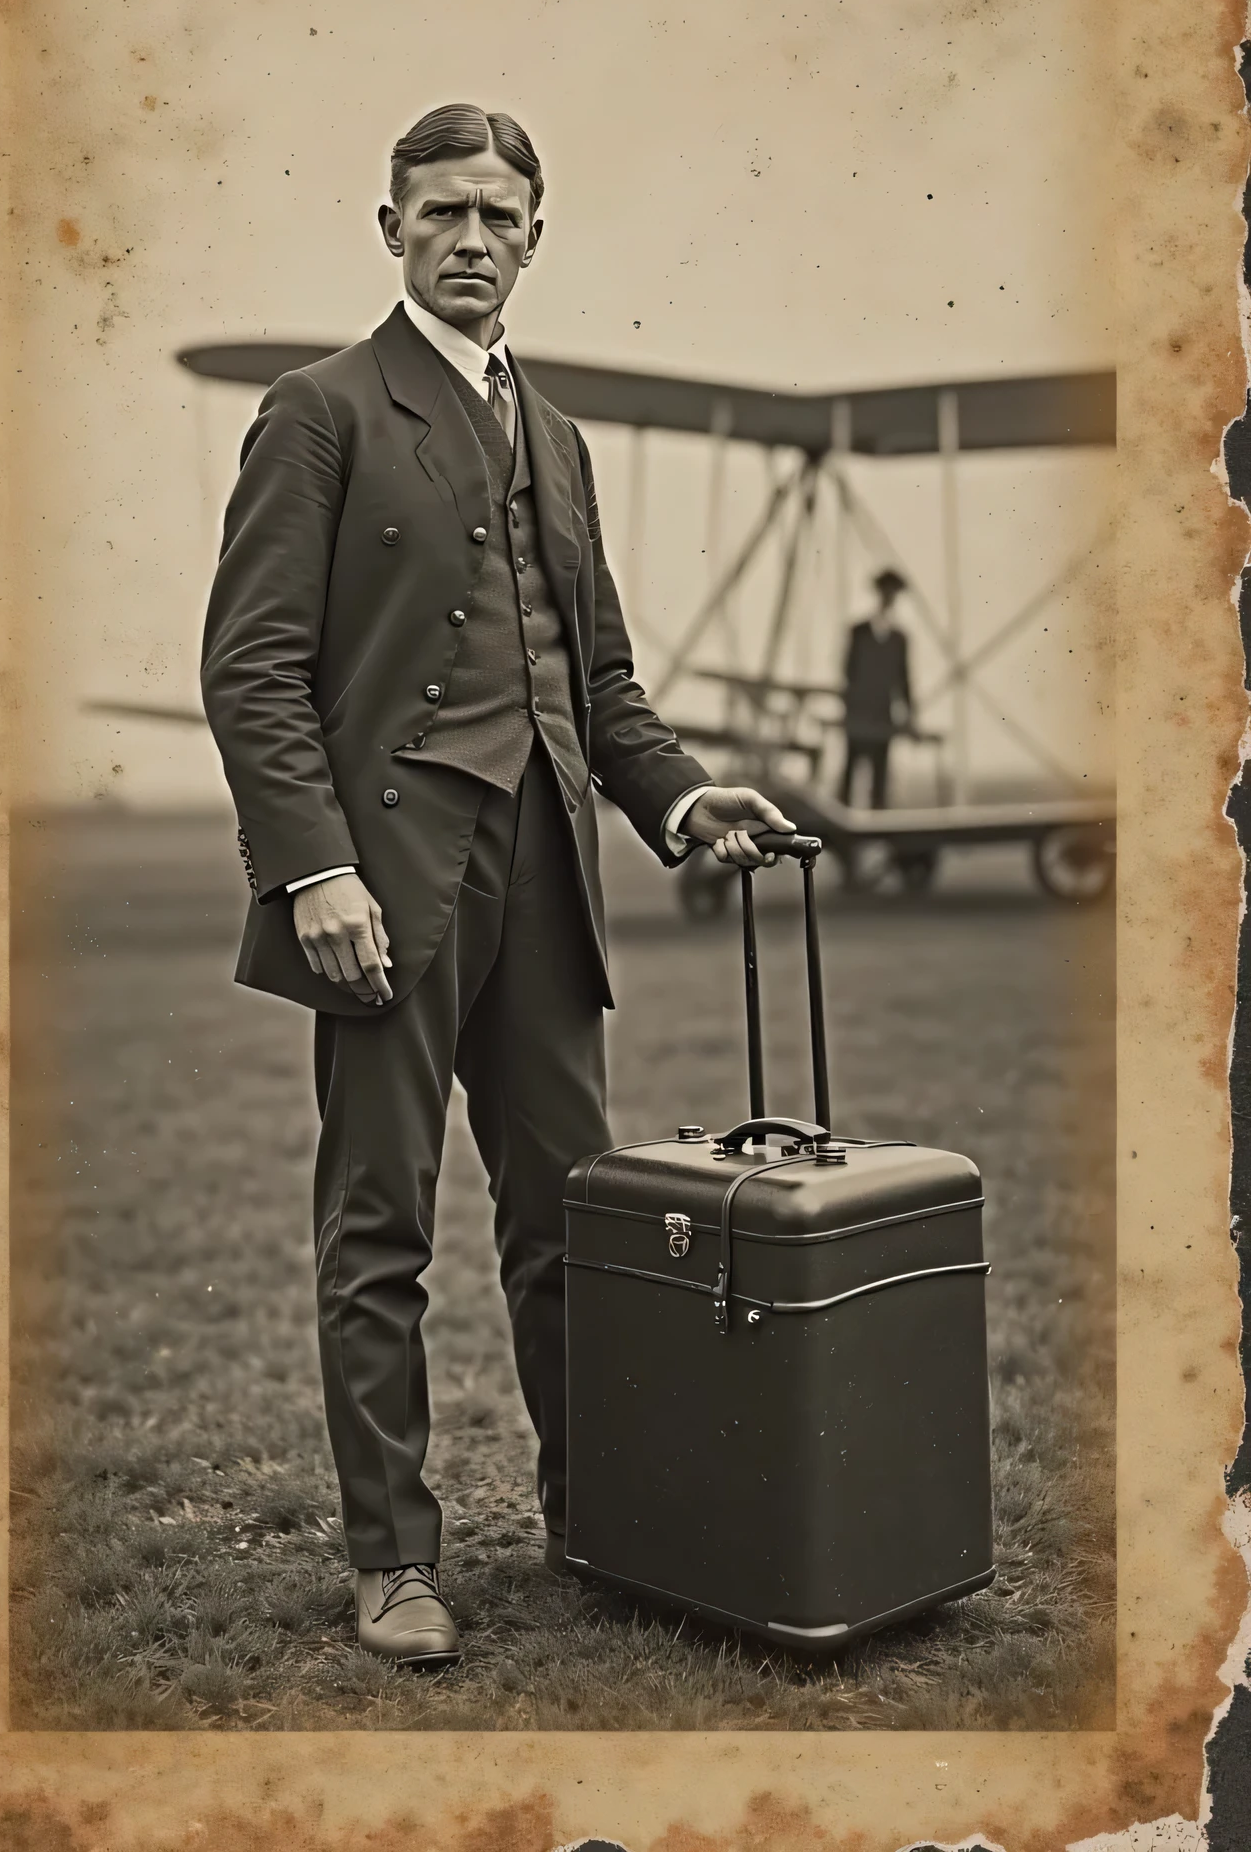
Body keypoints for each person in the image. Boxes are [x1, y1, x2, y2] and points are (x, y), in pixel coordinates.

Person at [200, 104, 796, 1668]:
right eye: (442, 211)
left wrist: (675, 796)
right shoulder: (317, 411)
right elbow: (251, 670)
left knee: (570, 1220)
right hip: (386, 881)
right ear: (387, 224)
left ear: (539, 235)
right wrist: (315, 868)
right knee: (380, 1222)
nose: (471, 238)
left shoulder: (561, 435)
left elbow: (597, 681)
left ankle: (597, 1521)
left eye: (500, 216)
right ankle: (393, 1561)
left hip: (546, 872)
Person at [839, 568, 914, 810]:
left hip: (883, 716)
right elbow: (848, 672)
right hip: (858, 715)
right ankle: (841, 834)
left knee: (880, 778)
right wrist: (851, 705)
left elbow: (904, 680)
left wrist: (910, 714)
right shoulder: (858, 632)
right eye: (885, 592)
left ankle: (877, 828)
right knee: (850, 772)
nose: (888, 597)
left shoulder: (900, 638)